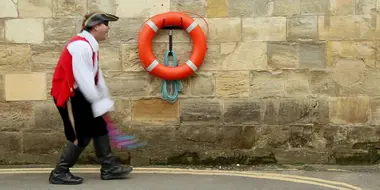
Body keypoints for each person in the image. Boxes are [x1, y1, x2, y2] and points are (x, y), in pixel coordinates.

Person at [48, 11, 133, 185]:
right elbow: (84, 79)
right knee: (82, 135)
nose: (108, 28)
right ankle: (59, 172)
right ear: (95, 26)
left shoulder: (89, 44)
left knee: (100, 128)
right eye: (106, 24)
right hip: (71, 94)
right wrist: (98, 102)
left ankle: (109, 168)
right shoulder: (81, 46)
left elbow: (95, 74)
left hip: (82, 93)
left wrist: (104, 99)